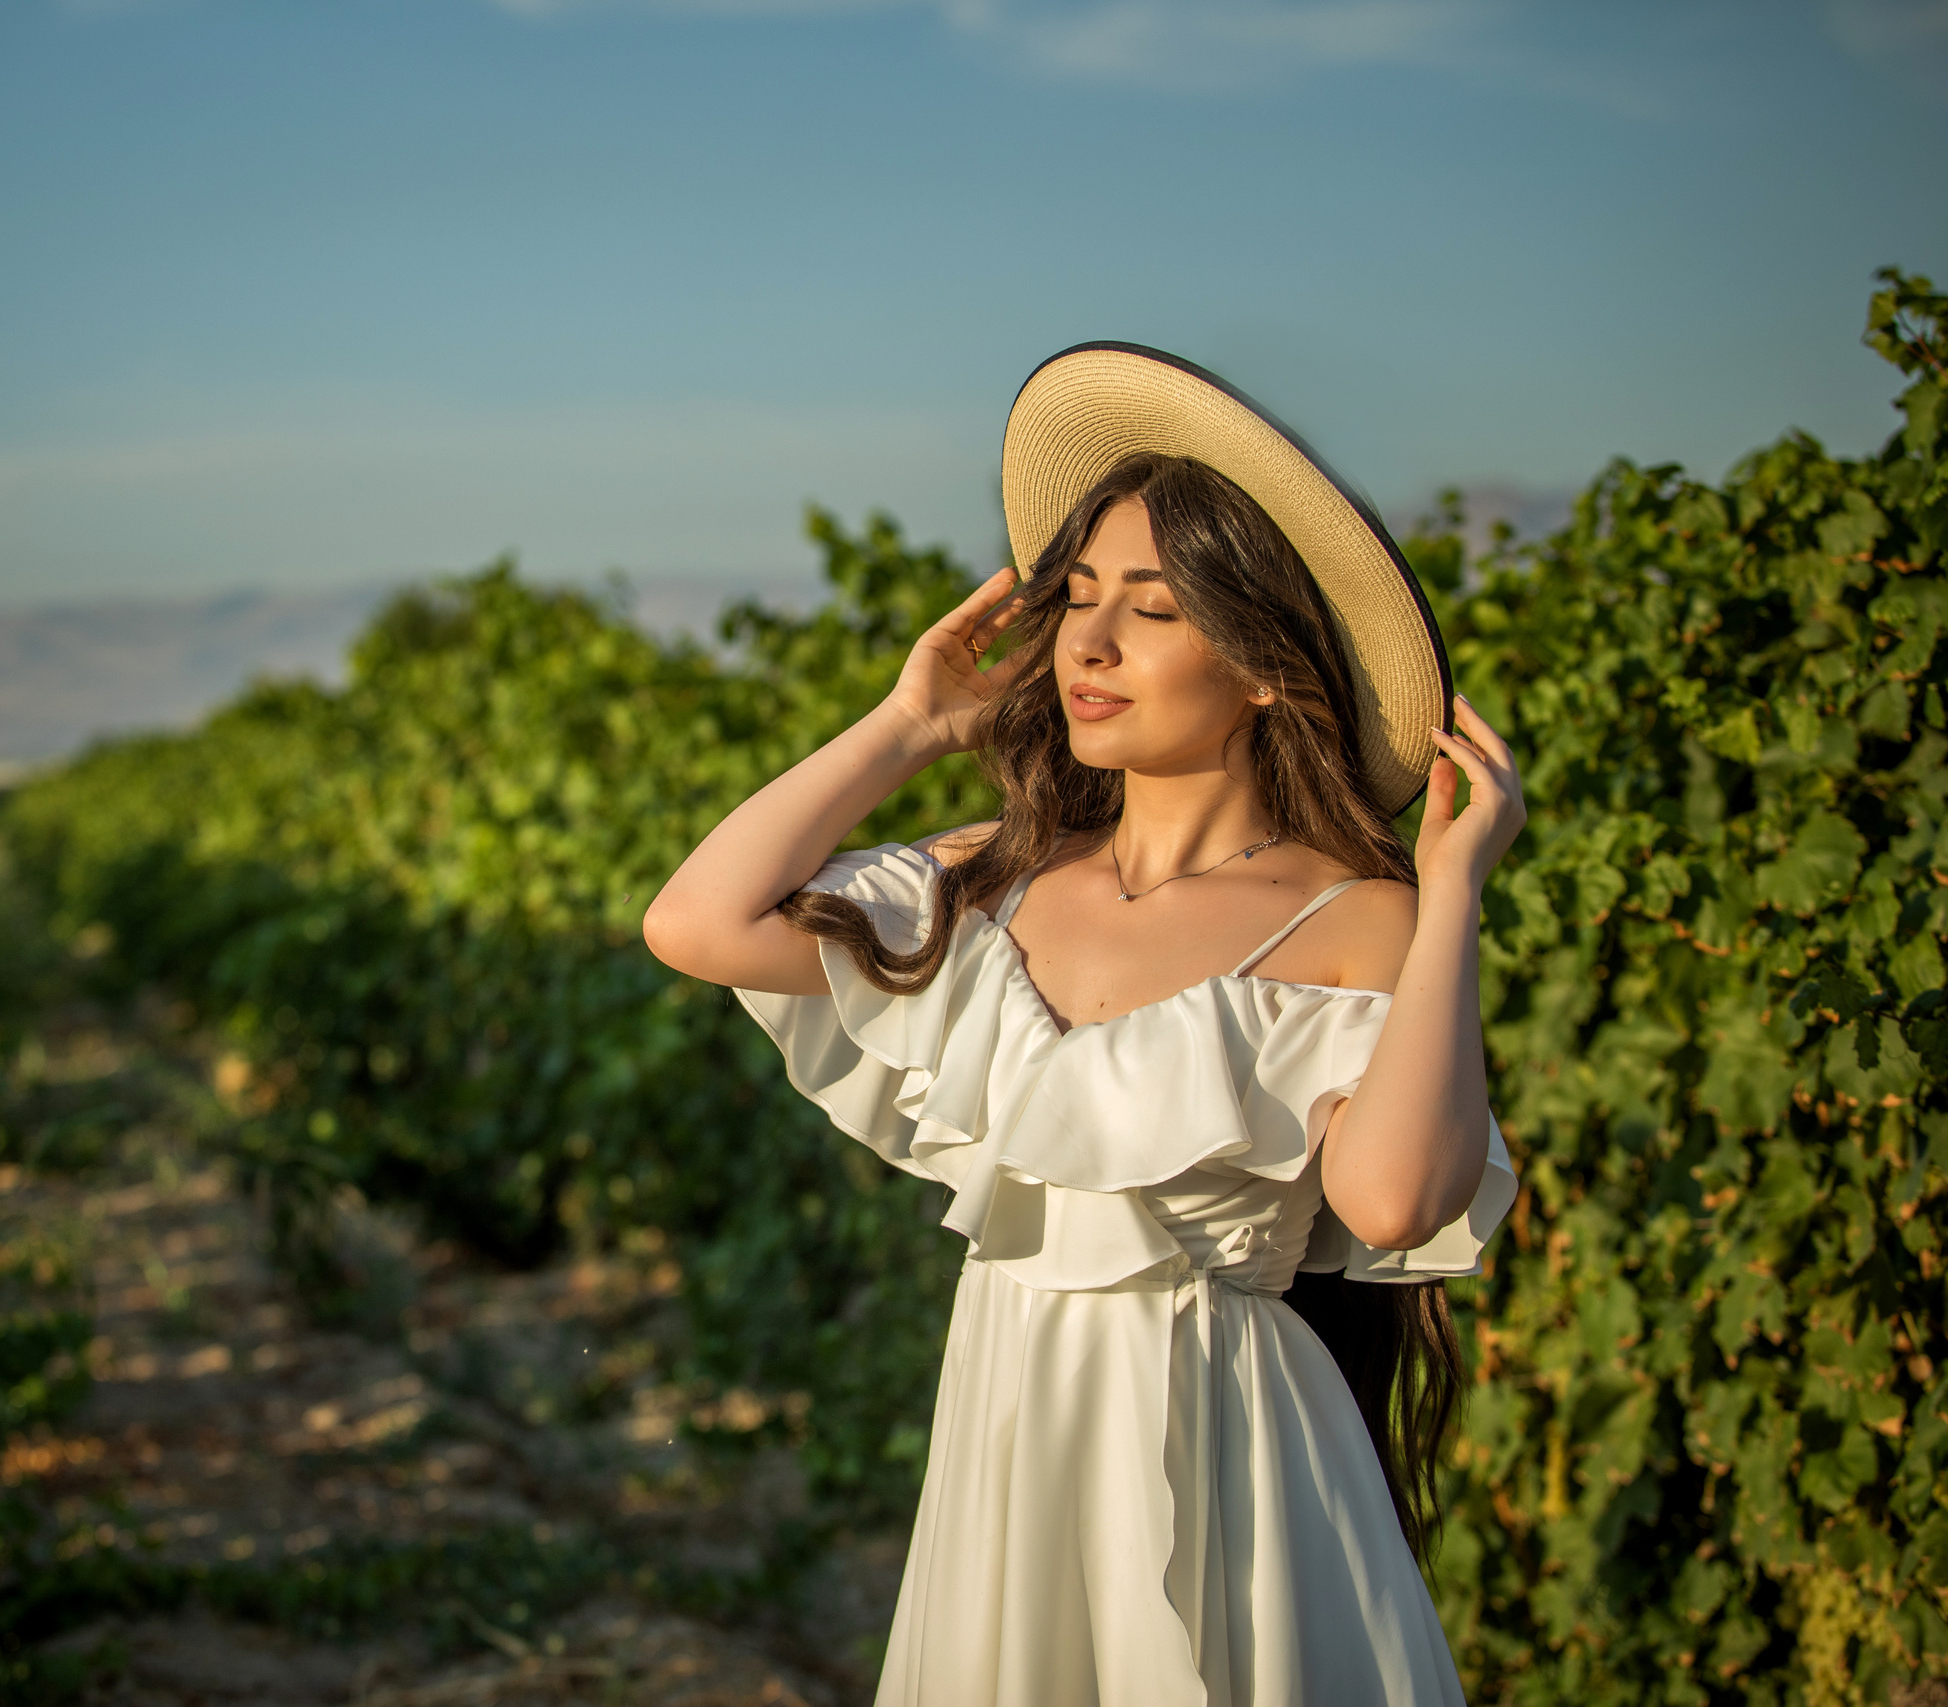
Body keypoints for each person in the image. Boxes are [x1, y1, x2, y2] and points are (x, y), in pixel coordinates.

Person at [643, 344, 1524, 1706]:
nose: (1089, 646)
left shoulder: (1356, 919)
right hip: (1011, 1418)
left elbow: (1398, 1199)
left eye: (1154, 611)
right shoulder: (994, 874)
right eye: (1079, 599)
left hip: (1227, 1445)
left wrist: (1451, 891)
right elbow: (696, 925)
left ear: (1271, 669)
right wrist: (906, 725)